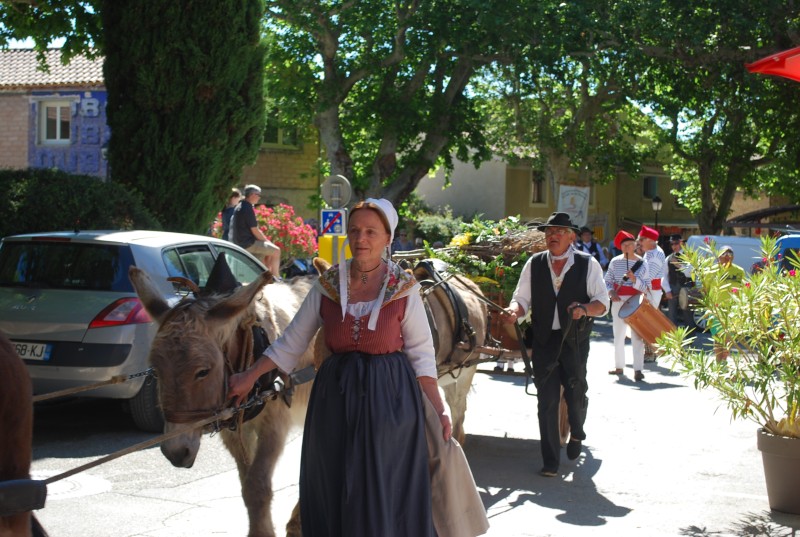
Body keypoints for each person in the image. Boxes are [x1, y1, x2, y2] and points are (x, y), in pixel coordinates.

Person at [228, 198, 487, 537]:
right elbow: (290, 343)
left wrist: (439, 409)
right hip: (334, 402)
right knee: (334, 484)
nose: (361, 238)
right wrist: (249, 377)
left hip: (390, 403)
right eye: (354, 230)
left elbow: (422, 357)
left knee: (381, 487)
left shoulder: (403, 288)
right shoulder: (329, 284)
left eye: (370, 231)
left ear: (387, 238)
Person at [502, 212, 609, 477]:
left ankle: (576, 432)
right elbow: (521, 299)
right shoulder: (535, 264)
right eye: (550, 232)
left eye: (559, 231)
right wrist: (514, 311)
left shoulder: (588, 264)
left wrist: (584, 309)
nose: (553, 236)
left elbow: (602, 303)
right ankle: (550, 460)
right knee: (546, 400)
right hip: (544, 340)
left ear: (571, 236)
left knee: (575, 392)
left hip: (574, 340)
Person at [604, 230, 650, 381]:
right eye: (624, 245)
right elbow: (608, 280)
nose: (627, 247)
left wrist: (634, 279)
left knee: (637, 336)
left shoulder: (642, 263)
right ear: (620, 247)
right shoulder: (615, 261)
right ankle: (619, 366)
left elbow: (646, 286)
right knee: (619, 334)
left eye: (630, 244)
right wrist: (611, 292)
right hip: (618, 301)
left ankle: (638, 369)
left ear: (635, 245)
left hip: (636, 301)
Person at [229, 184, 282, 277]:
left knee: (269, 252)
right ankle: (277, 277)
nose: (259, 198)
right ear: (252, 195)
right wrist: (266, 241)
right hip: (247, 244)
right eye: (258, 195)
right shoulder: (247, 208)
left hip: (240, 242)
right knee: (277, 251)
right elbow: (255, 230)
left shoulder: (240, 206)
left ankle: (268, 277)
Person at [704, 245, 746, 361]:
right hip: (717, 310)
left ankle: (724, 362)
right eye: (724, 254)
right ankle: (719, 363)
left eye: (730, 254)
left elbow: (744, 289)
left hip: (732, 311)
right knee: (718, 339)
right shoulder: (711, 272)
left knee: (728, 339)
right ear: (718, 256)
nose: (728, 256)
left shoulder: (739, 271)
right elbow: (706, 290)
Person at [637, 225, 670, 362]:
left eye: (642, 240)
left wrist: (638, 286)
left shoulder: (656, 255)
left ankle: (651, 352)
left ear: (650, 240)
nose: (639, 243)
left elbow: (647, 277)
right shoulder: (651, 252)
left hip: (651, 290)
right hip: (649, 290)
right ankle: (649, 351)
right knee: (644, 321)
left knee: (648, 322)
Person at [665, 234, 693, 326]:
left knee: (688, 316)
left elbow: (691, 273)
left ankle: (690, 340)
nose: (674, 246)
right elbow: (663, 276)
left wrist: (679, 265)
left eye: (676, 243)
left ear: (681, 243)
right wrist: (667, 290)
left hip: (686, 288)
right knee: (672, 316)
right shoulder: (668, 258)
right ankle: (673, 339)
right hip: (673, 289)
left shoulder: (690, 256)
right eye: (672, 244)